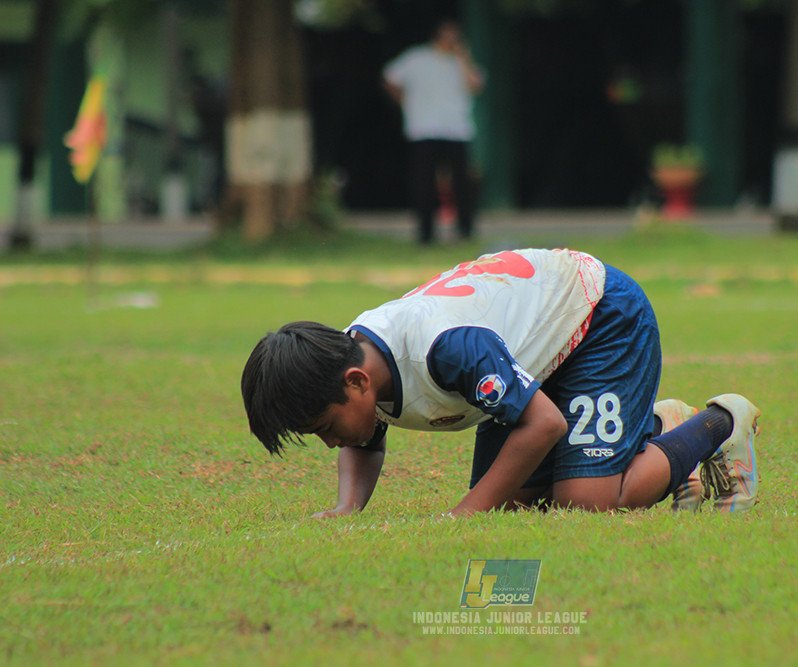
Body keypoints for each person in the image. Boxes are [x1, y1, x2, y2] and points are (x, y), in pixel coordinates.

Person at [241, 248, 760, 517]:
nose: (329, 441)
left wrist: (464, 514)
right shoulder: (359, 358)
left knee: (586, 502)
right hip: (531, 351)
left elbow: (543, 423)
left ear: (356, 381)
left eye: (325, 427)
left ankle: (719, 423)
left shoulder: (445, 348)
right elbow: (364, 432)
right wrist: (346, 508)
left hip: (598, 316)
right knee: (512, 505)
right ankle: (648, 429)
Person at [383, 19, 484, 244]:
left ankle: (465, 230)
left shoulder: (460, 62)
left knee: (460, 183)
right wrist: (405, 104)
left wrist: (463, 58)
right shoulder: (416, 58)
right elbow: (390, 78)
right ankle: (425, 233)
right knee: (424, 182)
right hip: (423, 128)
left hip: (456, 128)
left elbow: (475, 86)